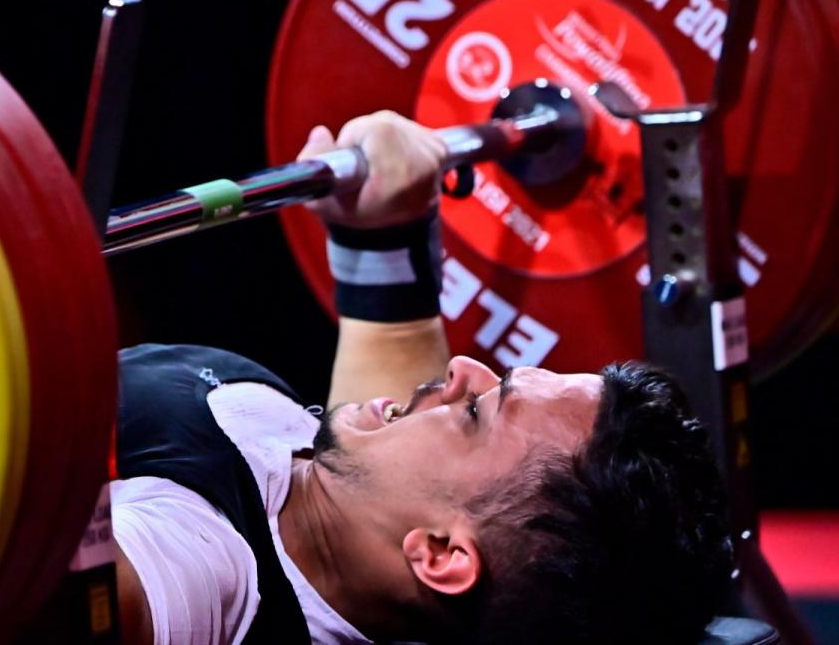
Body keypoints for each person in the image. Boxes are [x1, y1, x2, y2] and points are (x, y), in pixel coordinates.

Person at [110, 111, 734, 645]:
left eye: (476, 413)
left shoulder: (199, 568)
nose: (462, 370)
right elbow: (396, 360)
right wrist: (383, 237)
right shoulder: (337, 499)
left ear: (439, 554)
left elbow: (69, 605)